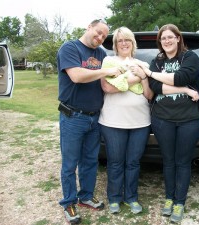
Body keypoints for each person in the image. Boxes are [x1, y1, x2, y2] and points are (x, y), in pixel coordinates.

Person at [57, 19, 122, 224]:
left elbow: (108, 80)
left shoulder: (101, 54)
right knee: (70, 163)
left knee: (90, 161)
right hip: (73, 116)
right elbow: (76, 76)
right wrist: (105, 71)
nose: (100, 38)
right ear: (89, 27)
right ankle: (69, 202)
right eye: (98, 32)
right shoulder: (70, 48)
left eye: (104, 36)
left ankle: (85, 196)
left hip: (95, 117)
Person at [138, 24, 199, 223]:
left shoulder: (190, 57)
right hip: (162, 119)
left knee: (182, 161)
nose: (166, 41)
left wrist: (150, 74)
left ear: (177, 38)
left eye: (170, 37)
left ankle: (179, 202)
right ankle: (169, 198)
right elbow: (156, 87)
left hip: (189, 119)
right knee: (168, 160)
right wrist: (184, 90)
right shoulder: (157, 61)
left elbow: (182, 76)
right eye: (163, 38)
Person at [98, 27, 153, 214]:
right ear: (115, 44)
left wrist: (143, 77)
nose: (124, 43)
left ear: (132, 43)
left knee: (133, 163)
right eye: (120, 40)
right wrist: (136, 77)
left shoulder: (142, 63)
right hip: (113, 122)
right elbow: (107, 87)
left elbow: (148, 94)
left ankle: (131, 197)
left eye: (127, 39)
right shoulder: (109, 61)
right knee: (115, 162)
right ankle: (114, 198)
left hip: (141, 122)